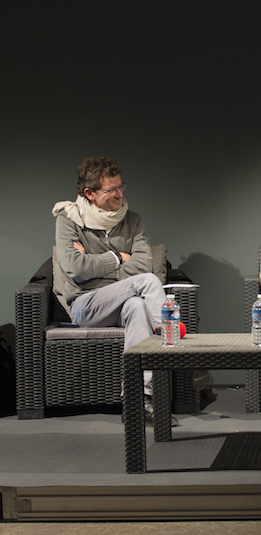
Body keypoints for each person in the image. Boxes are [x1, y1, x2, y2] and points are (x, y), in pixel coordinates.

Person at [52, 156, 174, 427]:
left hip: (123, 302)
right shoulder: (69, 220)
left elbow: (144, 264)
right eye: (111, 190)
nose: (120, 194)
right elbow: (76, 268)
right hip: (86, 304)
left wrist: (95, 265)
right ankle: (170, 340)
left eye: (121, 187)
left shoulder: (133, 220)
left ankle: (137, 399)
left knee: (137, 306)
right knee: (146, 282)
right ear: (90, 193)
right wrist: (118, 257)